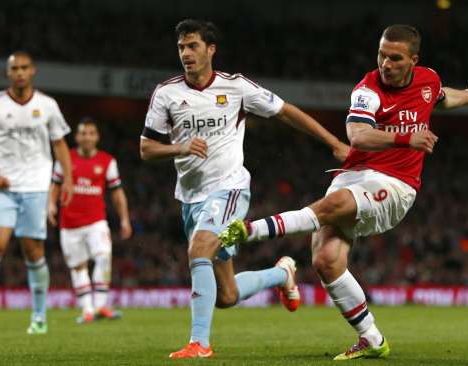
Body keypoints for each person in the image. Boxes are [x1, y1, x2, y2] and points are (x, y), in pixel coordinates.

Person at [219, 24, 468, 360]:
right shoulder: (367, 89)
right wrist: (406, 138)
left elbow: (445, 97)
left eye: (395, 58)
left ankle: (248, 231)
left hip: (396, 184)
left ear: (413, 60)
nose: (385, 64)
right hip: (353, 175)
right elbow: (358, 135)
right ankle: (373, 339)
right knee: (326, 260)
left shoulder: (427, 80)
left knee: (331, 206)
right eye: (381, 54)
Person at [140, 19, 349, 359]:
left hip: (229, 188)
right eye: (181, 47)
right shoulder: (166, 93)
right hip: (191, 197)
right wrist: (178, 148)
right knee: (226, 295)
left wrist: (333, 142)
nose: (186, 54)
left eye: (192, 46)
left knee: (200, 249)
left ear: (211, 49)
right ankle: (281, 274)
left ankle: (200, 344)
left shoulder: (235, 87)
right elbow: (146, 149)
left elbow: (285, 112)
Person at [0, 51, 74, 334]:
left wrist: (68, 179)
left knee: (33, 253)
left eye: (25, 68)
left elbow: (60, 145)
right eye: (15, 68)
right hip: (3, 188)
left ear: (33, 71)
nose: (20, 72)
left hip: (36, 186)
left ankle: (39, 317)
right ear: (8, 73)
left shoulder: (48, 105)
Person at [48, 117, 132, 324]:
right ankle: (87, 311)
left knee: (104, 256)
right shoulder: (65, 158)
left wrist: (124, 219)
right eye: (83, 133)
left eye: (91, 133)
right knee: (78, 266)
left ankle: (101, 306)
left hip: (96, 221)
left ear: (97, 137)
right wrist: (50, 205)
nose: (87, 137)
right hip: (69, 223)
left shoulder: (107, 161)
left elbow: (117, 192)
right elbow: (55, 184)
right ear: (76, 136)